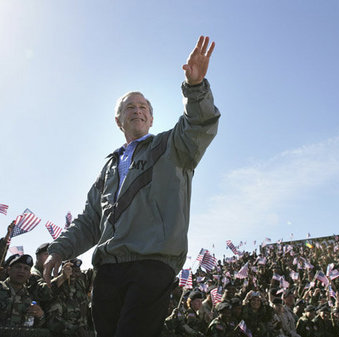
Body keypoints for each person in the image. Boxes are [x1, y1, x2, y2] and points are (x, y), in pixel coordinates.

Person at [44, 34, 220, 337]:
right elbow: (89, 222)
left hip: (152, 264)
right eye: (129, 107)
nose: (137, 110)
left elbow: (199, 124)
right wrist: (59, 251)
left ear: (151, 119)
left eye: (143, 107)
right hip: (108, 270)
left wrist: (195, 88)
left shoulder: (173, 146)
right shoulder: (108, 168)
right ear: (118, 120)